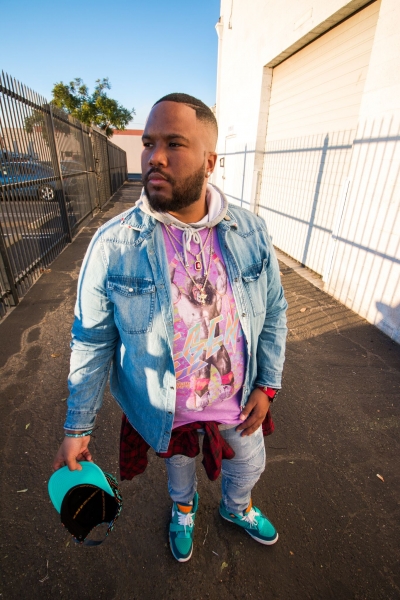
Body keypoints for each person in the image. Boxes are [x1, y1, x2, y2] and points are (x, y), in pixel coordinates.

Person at [53, 93, 287, 563]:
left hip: (239, 403)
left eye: (174, 144)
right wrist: (77, 426)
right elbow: (92, 341)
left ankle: (237, 507)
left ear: (210, 161)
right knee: (179, 473)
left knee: (249, 466)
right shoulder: (114, 245)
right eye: (149, 143)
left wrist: (268, 385)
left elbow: (275, 310)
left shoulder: (251, 232)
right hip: (166, 411)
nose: (154, 157)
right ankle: (184, 510)